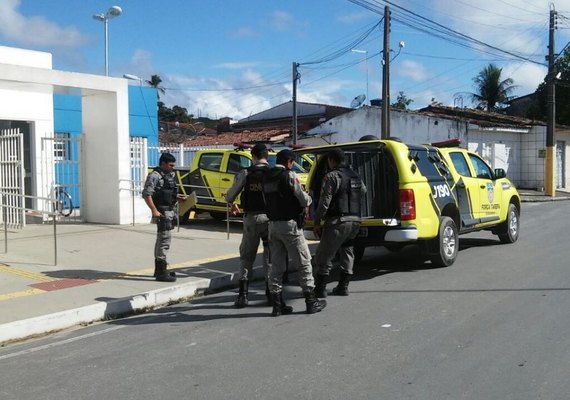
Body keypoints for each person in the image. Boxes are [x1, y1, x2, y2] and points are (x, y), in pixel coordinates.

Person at [263, 149, 326, 316]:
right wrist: (310, 198)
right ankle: (311, 302)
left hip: (273, 226)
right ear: (289, 162)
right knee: (304, 262)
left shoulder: (267, 176)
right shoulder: (289, 175)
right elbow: (302, 199)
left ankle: (277, 306)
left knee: (276, 266)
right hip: (290, 226)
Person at [313, 148, 366, 297]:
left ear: (332, 160)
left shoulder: (332, 176)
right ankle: (343, 286)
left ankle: (320, 289)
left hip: (338, 221)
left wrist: (317, 221)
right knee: (347, 251)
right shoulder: (355, 175)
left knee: (323, 255)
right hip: (355, 221)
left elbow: (325, 201)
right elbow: (363, 191)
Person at [226, 143, 272, 308]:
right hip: (271, 220)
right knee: (270, 257)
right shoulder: (275, 173)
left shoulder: (246, 173)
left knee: (246, 256)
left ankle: (243, 295)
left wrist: (232, 203)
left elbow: (230, 195)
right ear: (266, 156)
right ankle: (271, 294)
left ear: (253, 156)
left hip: (251, 219)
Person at [142, 152, 187, 282]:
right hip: (162, 212)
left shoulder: (169, 176)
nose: (173, 167)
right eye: (170, 165)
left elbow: (166, 192)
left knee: (163, 240)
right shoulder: (155, 176)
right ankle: (161, 271)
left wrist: (177, 197)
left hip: (169, 211)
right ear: (163, 164)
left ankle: (160, 269)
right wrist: (154, 210)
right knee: (164, 240)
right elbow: (147, 194)